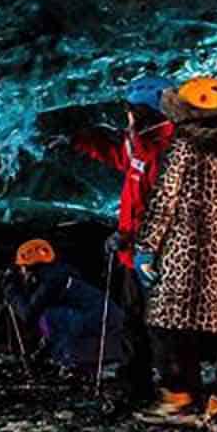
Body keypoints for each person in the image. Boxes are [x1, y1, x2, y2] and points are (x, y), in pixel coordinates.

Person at [135, 77, 217, 430]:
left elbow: (164, 202)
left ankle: (177, 398)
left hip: (185, 253)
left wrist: (146, 248)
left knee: (165, 323)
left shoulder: (182, 147)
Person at [72, 76, 175, 411]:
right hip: (134, 255)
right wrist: (77, 140)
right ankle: (138, 388)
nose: (126, 116)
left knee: (157, 324)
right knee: (134, 322)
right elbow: (119, 156)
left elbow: (163, 207)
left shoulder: (165, 151)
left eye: (130, 109)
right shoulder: (141, 144)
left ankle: (175, 393)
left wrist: (129, 236)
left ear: (142, 111)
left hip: (155, 256)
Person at [2, 238, 122, 380]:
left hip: (102, 327)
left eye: (22, 268)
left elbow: (28, 315)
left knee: (47, 317)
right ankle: (73, 359)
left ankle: (70, 362)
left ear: (30, 267)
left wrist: (11, 291)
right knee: (51, 315)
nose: (21, 273)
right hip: (108, 325)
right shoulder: (59, 272)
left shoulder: (51, 281)